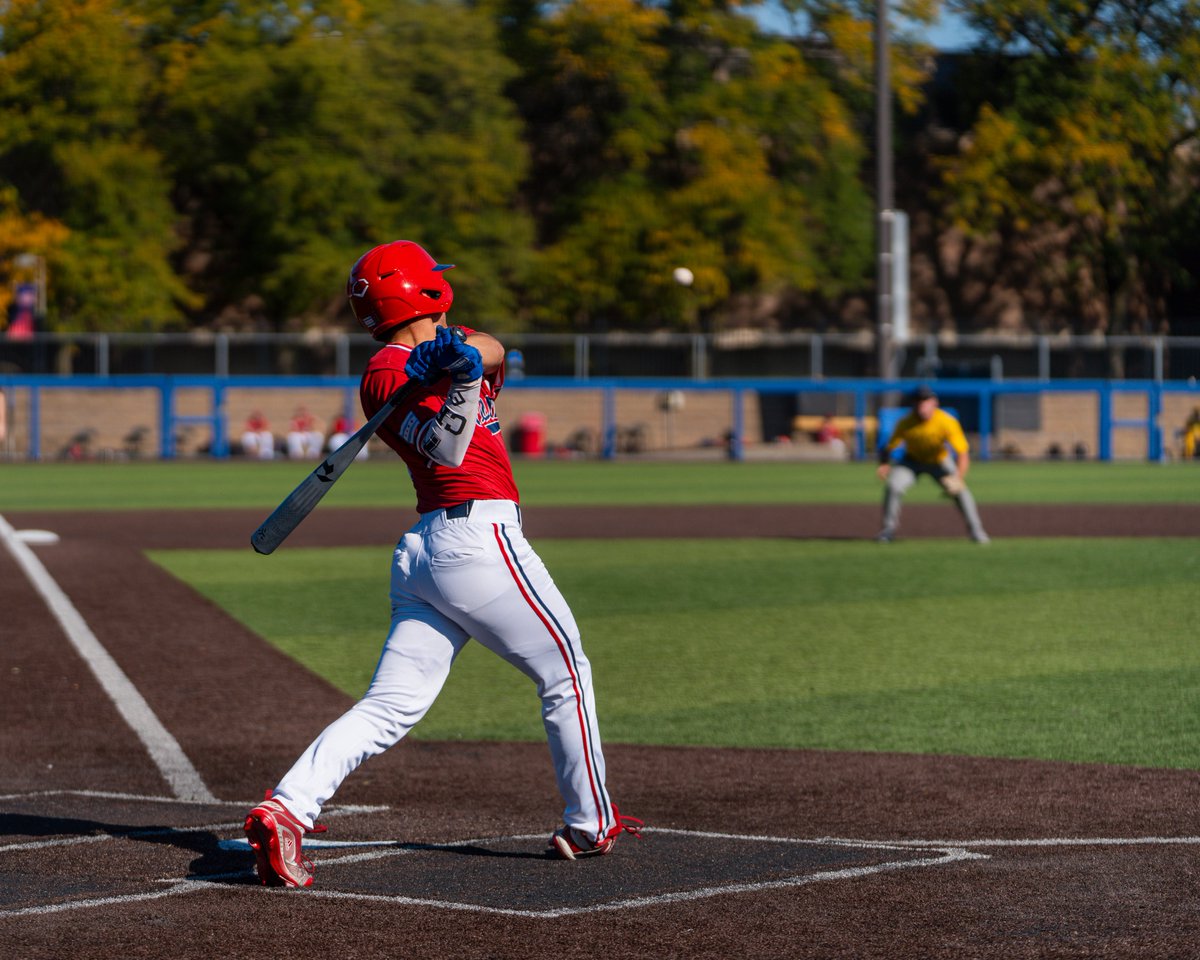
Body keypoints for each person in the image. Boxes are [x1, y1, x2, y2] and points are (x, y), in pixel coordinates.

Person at [244, 240, 639, 888]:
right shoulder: (383, 375)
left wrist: (462, 357)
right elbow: (448, 455)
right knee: (566, 673)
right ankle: (591, 822)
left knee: (390, 707)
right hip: (476, 540)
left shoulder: (448, 343)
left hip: (430, 558)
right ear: (422, 290)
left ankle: (286, 808)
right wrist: (454, 377)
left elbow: (491, 346)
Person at [875, 385, 990, 544]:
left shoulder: (946, 421)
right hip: (911, 461)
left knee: (961, 491)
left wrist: (958, 476)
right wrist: (884, 463)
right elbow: (889, 447)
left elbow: (962, 453)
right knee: (894, 486)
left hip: (939, 461)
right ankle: (888, 530)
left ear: (934, 402)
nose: (922, 405)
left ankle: (977, 532)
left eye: (925, 401)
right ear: (913, 404)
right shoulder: (906, 423)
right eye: (918, 401)